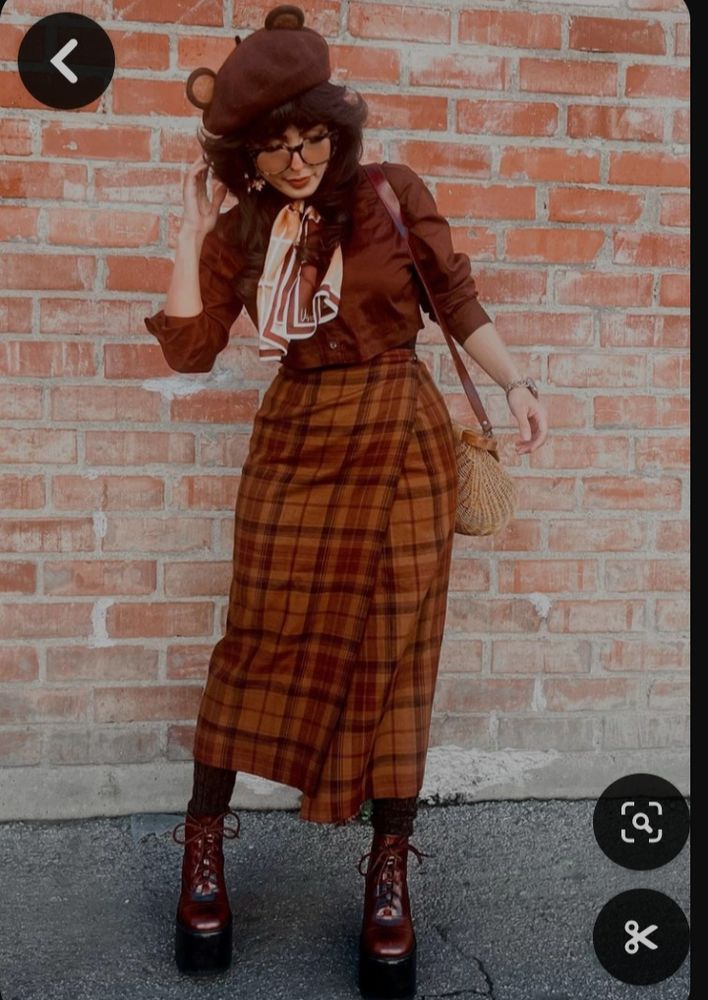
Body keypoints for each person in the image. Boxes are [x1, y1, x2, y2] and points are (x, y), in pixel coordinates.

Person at [144, 5, 548, 996]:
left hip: (403, 439)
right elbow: (192, 350)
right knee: (256, 640)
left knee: (401, 657)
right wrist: (189, 232)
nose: (298, 160)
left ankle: (387, 876)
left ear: (338, 125)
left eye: (313, 137)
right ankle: (204, 850)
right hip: (296, 440)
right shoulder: (245, 226)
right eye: (276, 147)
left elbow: (452, 295)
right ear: (249, 156)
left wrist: (515, 383)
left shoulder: (390, 194)